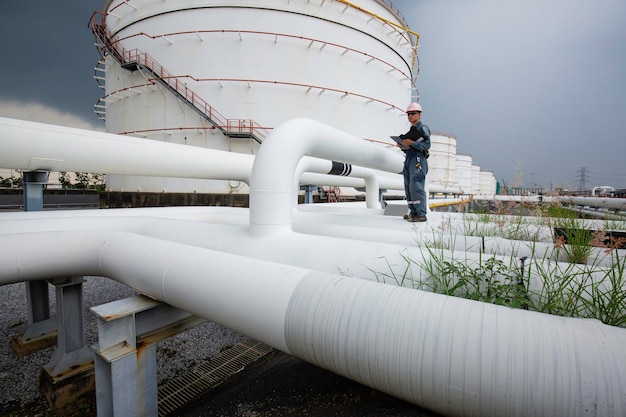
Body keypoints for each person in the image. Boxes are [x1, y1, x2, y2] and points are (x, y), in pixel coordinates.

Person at [397, 102, 430, 222]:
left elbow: (427, 145)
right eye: (408, 114)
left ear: (419, 114)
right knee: (408, 185)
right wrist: (403, 145)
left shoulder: (423, 128)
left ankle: (421, 214)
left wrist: (412, 143)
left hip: (418, 159)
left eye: (413, 113)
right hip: (410, 158)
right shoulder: (412, 130)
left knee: (416, 185)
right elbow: (411, 148)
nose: (410, 116)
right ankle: (413, 212)